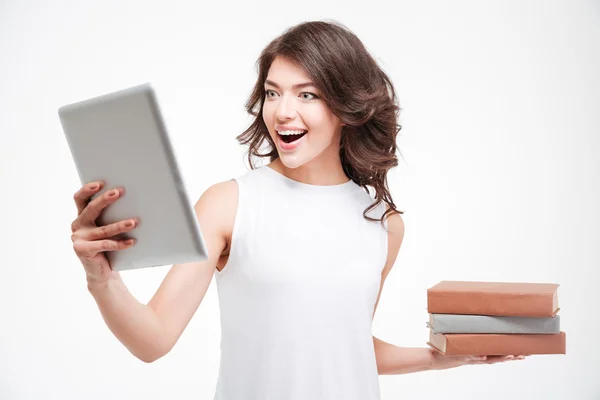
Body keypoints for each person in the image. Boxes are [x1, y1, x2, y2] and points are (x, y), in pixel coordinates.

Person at [69, 20, 524, 400]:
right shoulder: (230, 203)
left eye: (306, 95)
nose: (283, 111)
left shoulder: (384, 224)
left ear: (346, 107)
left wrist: (441, 358)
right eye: (272, 93)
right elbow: (153, 339)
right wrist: (102, 279)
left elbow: (344, 347)